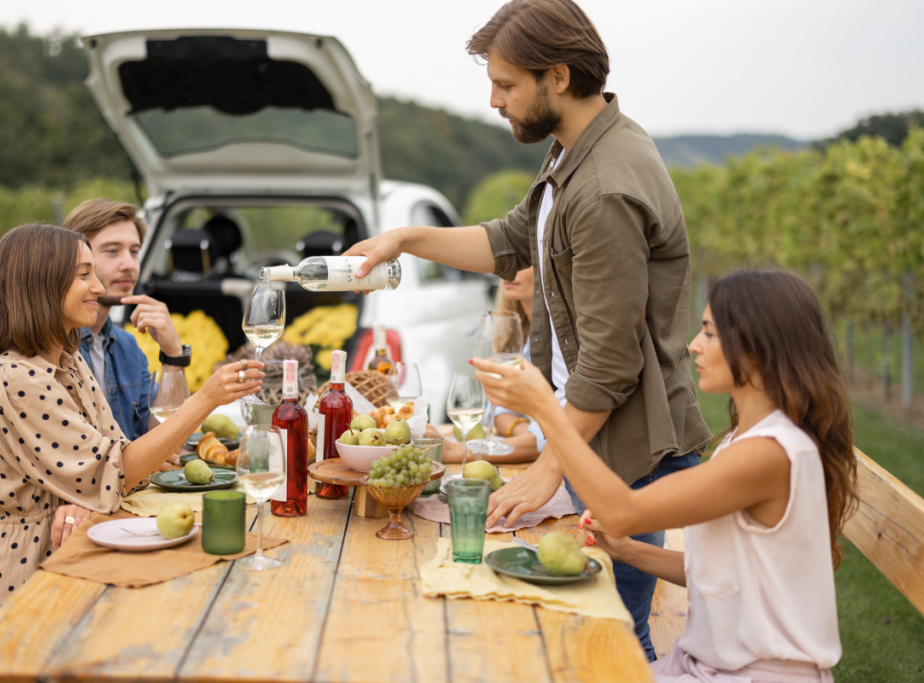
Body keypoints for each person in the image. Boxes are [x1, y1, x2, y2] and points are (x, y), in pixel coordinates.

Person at [345, 0, 710, 657]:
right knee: (580, 635)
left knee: (612, 643)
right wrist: (404, 239)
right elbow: (509, 240)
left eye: (506, 84)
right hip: (591, 441)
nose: (494, 101)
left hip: (621, 452)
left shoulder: (604, 187)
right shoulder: (575, 153)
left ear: (558, 77)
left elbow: (611, 362)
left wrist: (548, 467)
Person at [472, 270, 856, 682]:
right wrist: (626, 550)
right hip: (710, 665)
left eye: (710, 333)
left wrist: (548, 410)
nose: (694, 345)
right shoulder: (751, 440)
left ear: (759, 347)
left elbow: (622, 511)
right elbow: (719, 573)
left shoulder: (769, 453)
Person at [0, 224, 263, 629]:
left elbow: (115, 460)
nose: (98, 286)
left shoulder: (67, 361)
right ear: (41, 284)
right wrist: (204, 399)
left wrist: (96, 488)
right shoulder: (16, 380)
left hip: (79, 546)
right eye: (83, 274)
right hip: (31, 579)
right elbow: (116, 471)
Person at [0, 199, 191, 580]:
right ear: (53, 268)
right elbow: (66, 462)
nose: (128, 265)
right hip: (12, 544)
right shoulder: (15, 359)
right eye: (110, 253)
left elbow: (158, 444)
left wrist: (174, 356)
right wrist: (89, 492)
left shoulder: (120, 348)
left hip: (96, 508)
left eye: (134, 251)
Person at [444, 267, 544, 464]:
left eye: (524, 261)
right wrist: (527, 432)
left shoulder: (562, 344)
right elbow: (497, 410)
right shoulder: (516, 332)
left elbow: (555, 437)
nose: (510, 271)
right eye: (510, 261)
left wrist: (458, 452)